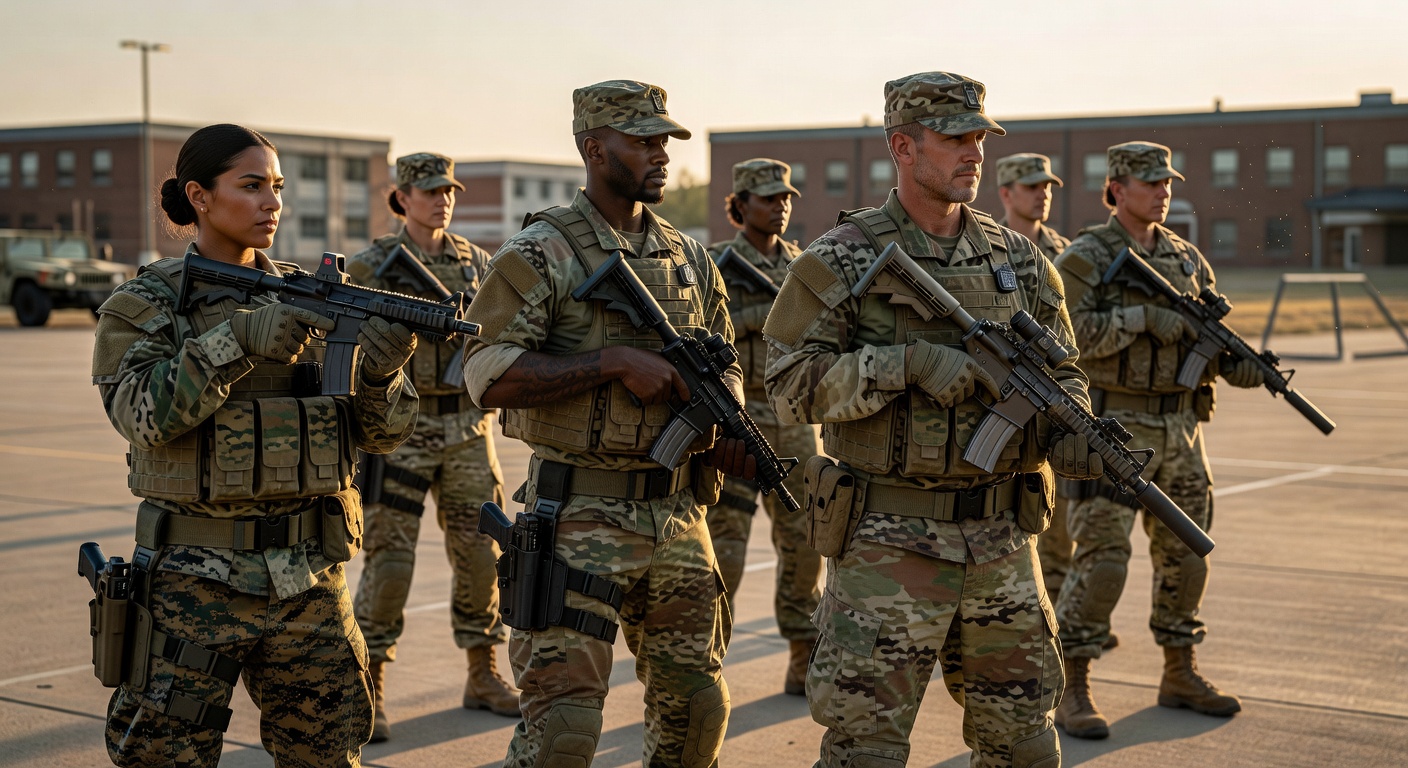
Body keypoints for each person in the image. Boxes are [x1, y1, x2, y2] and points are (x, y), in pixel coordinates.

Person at [765, 72, 1100, 768]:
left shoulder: (1019, 260)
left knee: (1026, 746)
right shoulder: (842, 257)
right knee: (867, 750)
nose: (973, 152)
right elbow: (789, 387)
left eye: (980, 137)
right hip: (888, 547)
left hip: (1004, 543)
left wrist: (1077, 432)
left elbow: (1066, 371)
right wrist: (903, 365)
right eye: (955, 138)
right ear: (903, 146)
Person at [91, 123, 419, 767]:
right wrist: (236, 342)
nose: (273, 203)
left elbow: (383, 433)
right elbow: (140, 414)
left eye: (277, 187)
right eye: (251, 185)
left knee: (328, 756)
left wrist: (382, 375)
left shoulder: (315, 300)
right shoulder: (145, 305)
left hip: (309, 580)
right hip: (192, 584)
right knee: (164, 756)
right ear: (200, 196)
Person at [461, 80, 752, 768]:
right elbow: (484, 373)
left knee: (698, 713)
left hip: (679, 518)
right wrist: (611, 362)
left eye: (664, 141)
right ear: (595, 148)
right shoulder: (541, 251)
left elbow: (726, 355)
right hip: (577, 517)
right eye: (643, 141)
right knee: (562, 731)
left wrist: (725, 421)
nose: (660, 154)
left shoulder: (688, 257)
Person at [1051, 141, 1257, 740]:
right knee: (1104, 563)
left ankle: (1179, 670)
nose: (1163, 191)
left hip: (1181, 432)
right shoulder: (1086, 257)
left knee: (1187, 558)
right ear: (1115, 189)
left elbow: (1208, 342)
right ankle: (1073, 686)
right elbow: (1060, 339)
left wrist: (1237, 362)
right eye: (1150, 182)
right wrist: (1139, 320)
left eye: (1167, 181)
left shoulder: (1187, 259)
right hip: (1111, 433)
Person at [347, 152, 518, 741]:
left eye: (448, 189)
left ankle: (483, 671)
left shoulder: (477, 261)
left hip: (467, 429)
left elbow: (504, 328)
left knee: (480, 557)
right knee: (391, 561)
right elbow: (345, 339)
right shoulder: (373, 264)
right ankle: (370, 683)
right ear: (401, 197)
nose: (441, 198)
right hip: (403, 428)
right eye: (428, 190)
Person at [705, 157, 822, 695]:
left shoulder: (803, 264)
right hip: (737, 414)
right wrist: (759, 315)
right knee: (726, 545)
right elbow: (705, 337)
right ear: (741, 205)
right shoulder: (717, 266)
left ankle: (803, 651)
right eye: (769, 198)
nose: (781, 206)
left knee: (803, 541)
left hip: (792, 415)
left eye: (786, 197)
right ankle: (704, 658)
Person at [993, 152, 1098, 635]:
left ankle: (1049, 620)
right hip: (1005, 400)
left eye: (1048, 185)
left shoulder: (1063, 253)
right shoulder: (990, 251)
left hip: (1058, 401)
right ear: (1006, 194)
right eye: (1031, 186)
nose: (1043, 193)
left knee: (1059, 533)